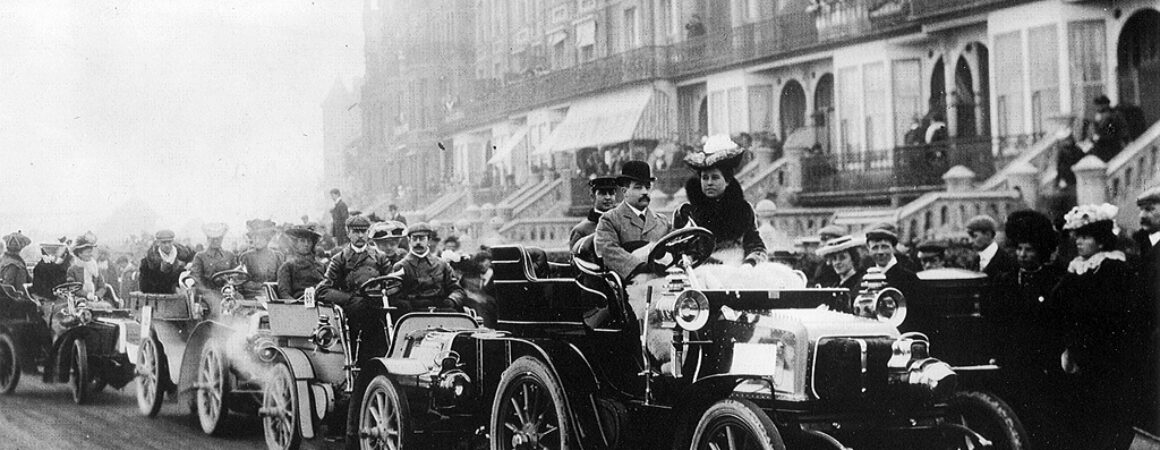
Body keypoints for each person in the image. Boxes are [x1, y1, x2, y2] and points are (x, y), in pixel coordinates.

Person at [1053, 203, 1140, 449]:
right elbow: (1058, 302)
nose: (1079, 242)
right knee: (1083, 416)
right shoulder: (1077, 267)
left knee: (1105, 414)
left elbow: (1111, 313)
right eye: (1077, 237)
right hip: (1078, 348)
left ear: (1101, 241)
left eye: (1086, 237)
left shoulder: (1113, 267)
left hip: (1105, 353)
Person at [314, 215, 397, 447]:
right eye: (356, 231)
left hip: (379, 317)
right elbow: (323, 290)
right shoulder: (340, 258)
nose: (360, 235)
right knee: (359, 368)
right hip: (354, 322)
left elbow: (390, 282)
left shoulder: (379, 257)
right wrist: (350, 300)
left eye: (364, 231)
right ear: (348, 232)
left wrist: (384, 293)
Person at [673, 135, 767, 265]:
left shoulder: (743, 210)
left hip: (737, 270)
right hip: (700, 273)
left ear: (727, 181)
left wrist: (750, 263)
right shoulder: (687, 212)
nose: (709, 183)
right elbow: (678, 250)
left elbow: (756, 246)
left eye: (715, 178)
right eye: (705, 178)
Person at [594, 160, 672, 282]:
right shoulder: (610, 220)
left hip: (665, 283)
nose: (645, 192)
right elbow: (608, 251)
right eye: (638, 187)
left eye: (647, 187)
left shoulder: (662, 222)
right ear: (625, 192)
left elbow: (675, 249)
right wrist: (641, 267)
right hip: (627, 288)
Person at [391, 222, 467, 317]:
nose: (418, 242)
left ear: (429, 241)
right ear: (409, 241)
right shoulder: (401, 266)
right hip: (414, 314)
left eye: (422, 239)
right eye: (414, 239)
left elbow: (457, 290)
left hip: (443, 310)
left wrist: (452, 300)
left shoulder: (442, 265)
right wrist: (406, 305)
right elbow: (395, 297)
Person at [866, 228, 919, 300]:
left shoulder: (909, 279)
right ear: (869, 250)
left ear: (893, 248)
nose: (880, 252)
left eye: (885, 247)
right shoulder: (865, 278)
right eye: (875, 248)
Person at [275, 224, 326, 299]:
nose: (306, 244)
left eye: (309, 241)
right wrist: (296, 307)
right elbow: (284, 293)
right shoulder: (288, 266)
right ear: (295, 244)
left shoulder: (321, 266)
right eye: (302, 241)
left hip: (323, 301)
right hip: (302, 302)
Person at [138, 229, 195, 294]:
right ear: (158, 243)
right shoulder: (149, 261)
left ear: (173, 241)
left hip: (181, 297)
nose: (167, 245)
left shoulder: (184, 257)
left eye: (169, 242)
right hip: (159, 298)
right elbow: (144, 286)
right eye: (164, 242)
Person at [569, 176, 620, 249]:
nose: (608, 197)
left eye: (611, 193)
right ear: (592, 197)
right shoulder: (581, 230)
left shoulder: (623, 225)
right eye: (602, 193)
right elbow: (576, 258)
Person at [239, 219, 284, 298]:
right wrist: (259, 286)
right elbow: (242, 281)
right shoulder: (246, 257)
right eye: (254, 238)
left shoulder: (277, 256)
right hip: (252, 296)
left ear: (267, 239)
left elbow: (281, 280)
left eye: (260, 238)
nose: (257, 241)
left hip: (273, 295)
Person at [190, 222, 239, 296]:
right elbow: (197, 279)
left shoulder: (229, 255)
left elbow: (236, 275)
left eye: (218, 238)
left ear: (222, 238)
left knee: (241, 302)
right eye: (212, 238)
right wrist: (207, 293)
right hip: (209, 292)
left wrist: (231, 284)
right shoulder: (200, 257)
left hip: (228, 291)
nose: (216, 241)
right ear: (208, 238)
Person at [66, 234, 112, 304]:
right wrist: (87, 295)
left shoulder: (95, 268)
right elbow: (73, 288)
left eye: (91, 252)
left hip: (96, 301)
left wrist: (97, 296)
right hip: (78, 301)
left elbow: (102, 287)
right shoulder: (72, 270)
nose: (90, 254)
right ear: (79, 254)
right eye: (88, 252)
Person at [1091, 95, 1128, 162]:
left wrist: (1101, 135)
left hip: (1111, 145)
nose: (1098, 108)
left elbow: (1112, 131)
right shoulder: (1098, 116)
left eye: (1100, 105)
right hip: (1101, 146)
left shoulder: (1114, 115)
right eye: (1097, 105)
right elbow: (1095, 130)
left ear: (1106, 104)